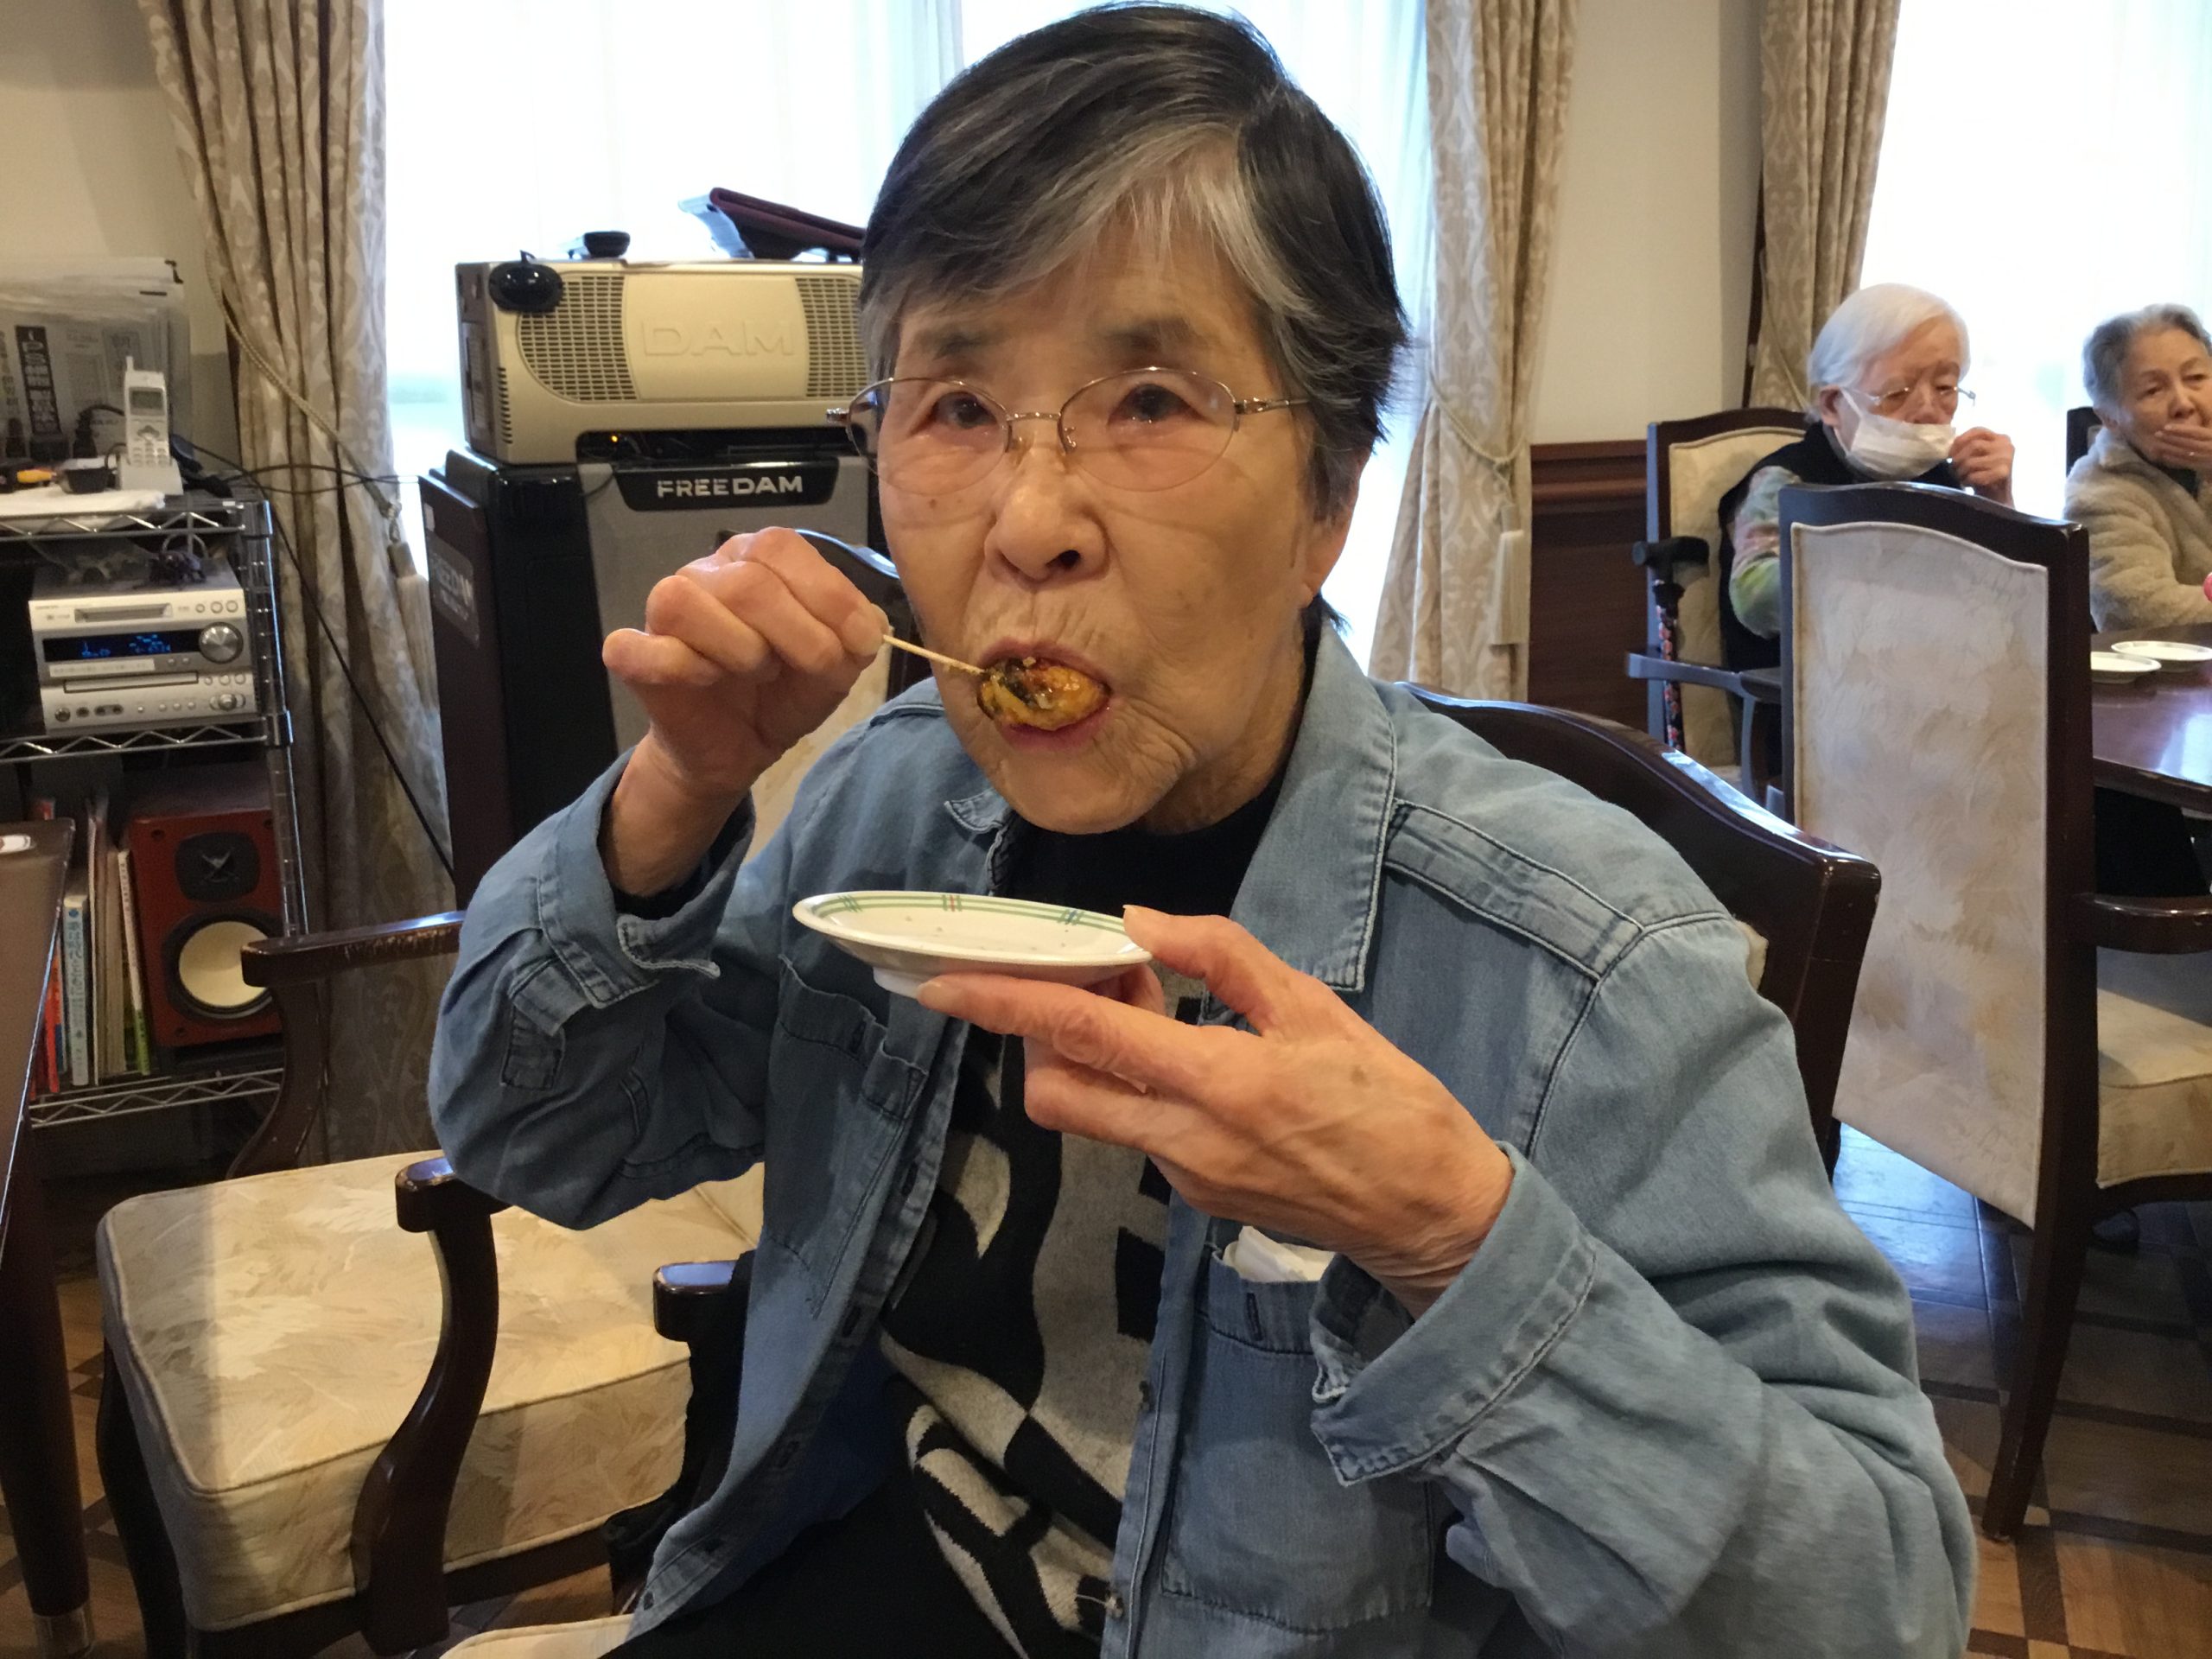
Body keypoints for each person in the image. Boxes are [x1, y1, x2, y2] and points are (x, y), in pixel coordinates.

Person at [429, 10, 1971, 1656]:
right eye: (956, 407)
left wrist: (1452, 1238)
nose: (1029, 521)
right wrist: (674, 794)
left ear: (1329, 496)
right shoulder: (891, 804)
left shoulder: (1584, 958)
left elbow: (1876, 1608)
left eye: (1151, 399)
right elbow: (542, 1140)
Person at [1718, 283, 2016, 671]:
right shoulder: (1787, 482)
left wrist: (1998, 504)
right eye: (1897, 392)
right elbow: (1755, 598)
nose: (1928, 409)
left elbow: (2004, 599)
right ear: (1833, 404)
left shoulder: (1941, 478)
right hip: (1817, 694)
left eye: (1945, 387)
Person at [2067, 303, 2212, 630]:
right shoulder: (2098, 494)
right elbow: (2140, 611)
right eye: (2153, 390)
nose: (2183, 403)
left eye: (2196, 378)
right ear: (2110, 418)